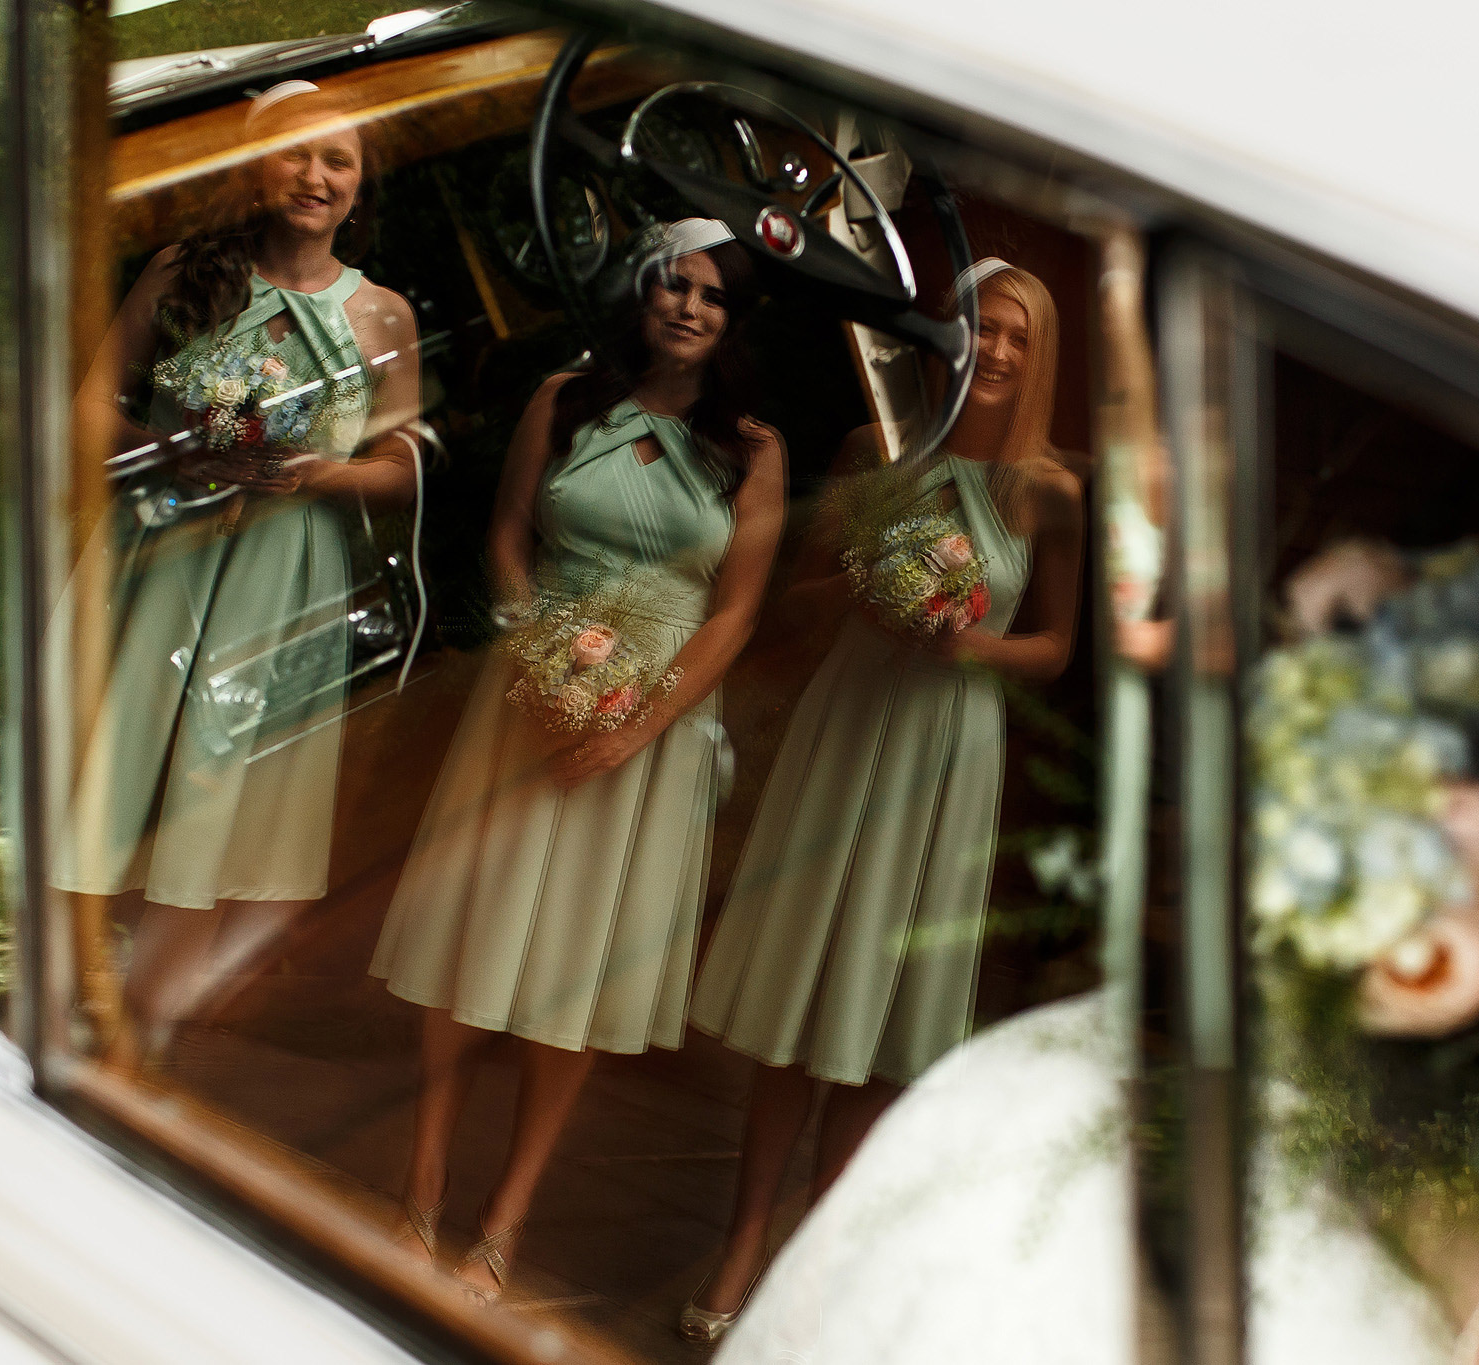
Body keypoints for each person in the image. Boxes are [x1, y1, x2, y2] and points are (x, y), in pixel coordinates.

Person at [367, 219, 786, 1304]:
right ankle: (418, 1197)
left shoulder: (751, 448)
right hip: (525, 703)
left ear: (732, 320)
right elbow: (508, 535)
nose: (687, 309)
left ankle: (501, 1228)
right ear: (639, 293)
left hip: (647, 734)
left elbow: (734, 615)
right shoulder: (564, 400)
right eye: (671, 288)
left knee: (573, 975)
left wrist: (634, 725)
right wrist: (535, 652)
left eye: (710, 296)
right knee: (468, 948)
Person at [683, 259, 1086, 1343]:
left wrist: (970, 640)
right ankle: (737, 1251)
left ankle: (815, 1278)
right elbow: (794, 605)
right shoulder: (875, 456)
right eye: (975, 330)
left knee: (881, 1014)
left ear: (1036, 356)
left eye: (1014, 336)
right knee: (797, 1007)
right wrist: (866, 582)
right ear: (939, 339)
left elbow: (1053, 648)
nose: (992, 351)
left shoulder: (1047, 492)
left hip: (947, 746)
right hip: (847, 727)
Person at [57, 80, 423, 1069]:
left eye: (337, 159)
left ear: (360, 186)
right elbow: (89, 411)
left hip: (281, 572)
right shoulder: (187, 273)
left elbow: (400, 472)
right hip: (161, 557)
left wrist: (317, 473)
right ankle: (57, 996)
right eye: (295, 152)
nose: (314, 175)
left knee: (215, 797)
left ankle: (143, 1041)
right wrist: (173, 450)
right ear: (256, 165)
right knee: (113, 765)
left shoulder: (381, 314)